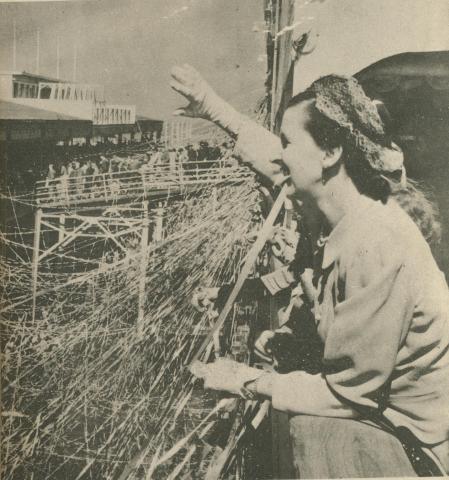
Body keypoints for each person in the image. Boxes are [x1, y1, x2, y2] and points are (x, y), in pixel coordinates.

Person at [170, 65, 449, 474]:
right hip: (388, 417)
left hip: (410, 441)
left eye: (288, 142)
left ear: (331, 152)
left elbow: (349, 396)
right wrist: (211, 106)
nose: (280, 154)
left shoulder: (377, 246)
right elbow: (277, 160)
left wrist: (246, 380)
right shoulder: (350, 210)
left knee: (315, 434)